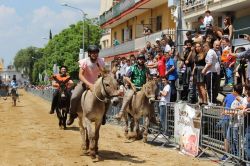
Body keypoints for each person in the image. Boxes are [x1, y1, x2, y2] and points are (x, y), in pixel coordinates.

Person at [67, 45, 105, 126]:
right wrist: (89, 84)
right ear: (89, 54)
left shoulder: (101, 61)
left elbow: (104, 73)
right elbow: (80, 75)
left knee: (107, 98)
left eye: (96, 53)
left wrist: (101, 69)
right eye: (93, 53)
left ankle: (103, 115)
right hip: (84, 83)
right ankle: (72, 114)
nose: (95, 54)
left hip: (97, 85)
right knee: (74, 97)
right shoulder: (84, 61)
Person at [114, 54, 149, 120]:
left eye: (142, 59)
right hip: (134, 87)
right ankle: (120, 113)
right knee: (128, 96)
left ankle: (152, 117)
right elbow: (126, 77)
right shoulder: (133, 67)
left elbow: (148, 78)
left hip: (143, 88)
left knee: (150, 98)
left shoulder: (146, 69)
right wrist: (132, 84)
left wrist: (147, 84)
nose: (141, 60)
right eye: (140, 59)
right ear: (137, 60)